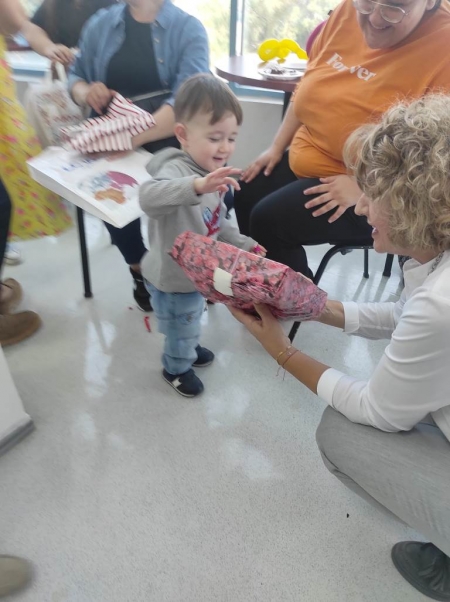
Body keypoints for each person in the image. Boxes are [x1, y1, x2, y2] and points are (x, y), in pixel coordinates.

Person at [231, 94, 450, 600]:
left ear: (416, 204)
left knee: (342, 434)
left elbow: (378, 411)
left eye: (373, 194)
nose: (360, 205)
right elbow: (404, 316)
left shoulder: (440, 302)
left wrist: (282, 352)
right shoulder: (434, 257)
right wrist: (315, 306)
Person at [234, 0, 450, 277]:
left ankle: (295, 297)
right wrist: (276, 147)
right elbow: (309, 84)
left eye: (394, 6)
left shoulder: (443, 45)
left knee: (270, 220)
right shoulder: (348, 10)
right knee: (245, 189)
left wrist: (365, 187)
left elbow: (437, 158)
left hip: (382, 187)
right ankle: (261, 287)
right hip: (313, 155)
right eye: (367, 2)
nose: (375, 18)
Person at [68, 0, 210, 312]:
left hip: (168, 131)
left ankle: (194, 267)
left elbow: (186, 103)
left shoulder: (187, 29)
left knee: (183, 194)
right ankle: (139, 268)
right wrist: (86, 91)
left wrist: (131, 140)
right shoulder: (101, 24)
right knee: (108, 194)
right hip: (113, 132)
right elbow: (75, 75)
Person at [139, 74, 264, 397]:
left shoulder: (211, 175)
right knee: (180, 324)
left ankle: (188, 345)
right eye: (215, 137)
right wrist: (196, 186)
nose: (225, 147)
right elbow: (148, 197)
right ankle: (176, 367)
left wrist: (246, 246)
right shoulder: (177, 172)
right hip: (172, 278)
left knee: (189, 319)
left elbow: (218, 224)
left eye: (231, 138)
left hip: (196, 275)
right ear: (183, 135)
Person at [31, 0, 116, 49]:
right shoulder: (53, 4)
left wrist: (79, 55)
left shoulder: (107, 5)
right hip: (62, 68)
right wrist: (51, 48)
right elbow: (34, 27)